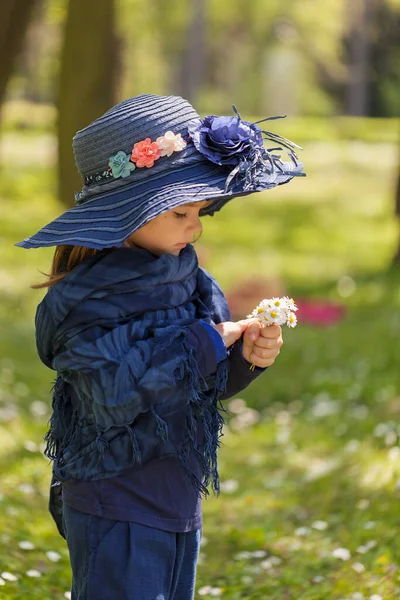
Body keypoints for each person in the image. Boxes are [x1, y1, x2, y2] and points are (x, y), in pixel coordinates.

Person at [15, 93, 304, 600]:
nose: (194, 226)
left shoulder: (187, 275)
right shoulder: (88, 296)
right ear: (128, 216)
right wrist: (205, 341)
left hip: (175, 489)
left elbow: (195, 384)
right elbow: (113, 390)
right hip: (115, 496)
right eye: (179, 213)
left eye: (201, 211)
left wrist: (243, 358)